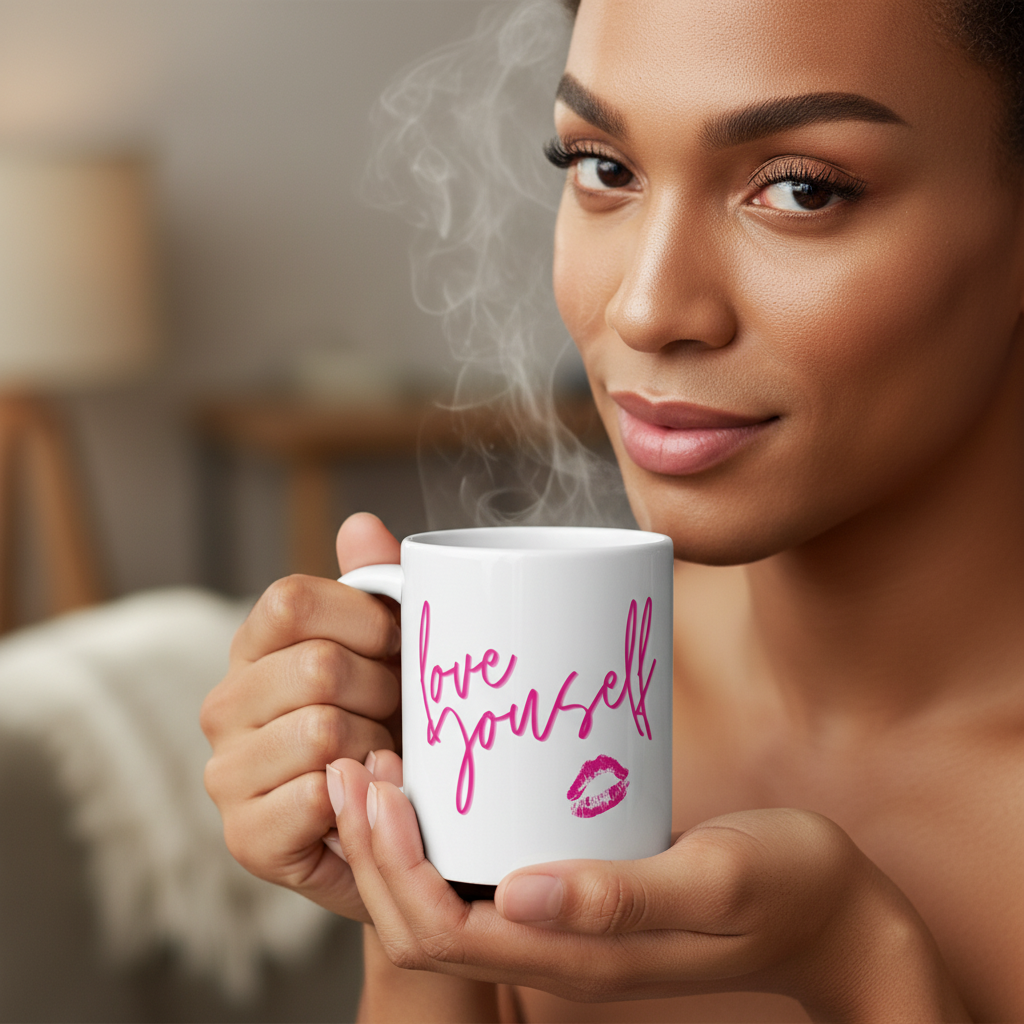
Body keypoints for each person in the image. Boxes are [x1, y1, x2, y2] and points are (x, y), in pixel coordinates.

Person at [200, 0, 1024, 1019]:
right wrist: (414, 897)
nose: (644, 306)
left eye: (801, 188)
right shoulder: (532, 727)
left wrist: (862, 959)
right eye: (603, 168)